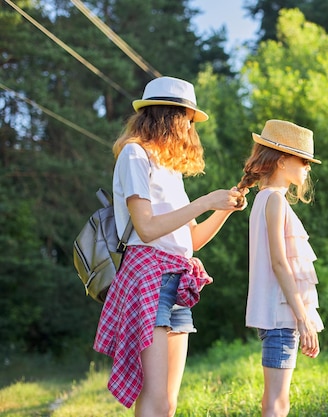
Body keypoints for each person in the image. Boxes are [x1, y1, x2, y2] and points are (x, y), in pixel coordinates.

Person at [93, 76, 246, 417]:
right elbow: (146, 229)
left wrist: (223, 210)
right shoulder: (135, 155)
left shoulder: (169, 168)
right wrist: (206, 201)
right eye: (188, 120)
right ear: (171, 117)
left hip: (176, 278)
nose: (191, 129)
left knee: (168, 403)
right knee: (156, 400)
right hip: (147, 275)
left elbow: (190, 241)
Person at [237, 119, 324, 417]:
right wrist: (303, 318)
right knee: (277, 403)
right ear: (283, 160)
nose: (308, 167)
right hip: (281, 316)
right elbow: (279, 263)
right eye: (304, 160)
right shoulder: (274, 201)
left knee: (275, 400)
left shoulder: (265, 200)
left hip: (277, 317)